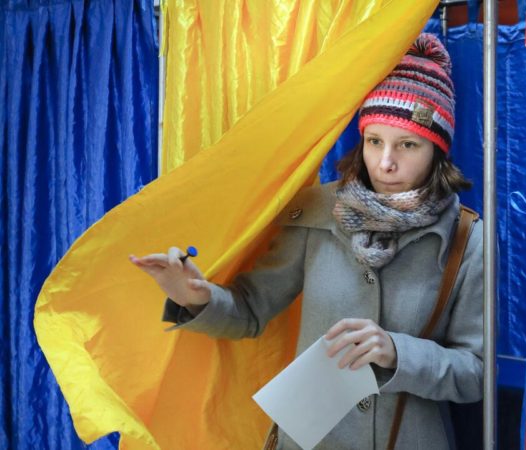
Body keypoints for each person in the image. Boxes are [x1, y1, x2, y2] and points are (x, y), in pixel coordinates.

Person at [130, 33, 483, 450]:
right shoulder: (316, 212)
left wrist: (397, 352)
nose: (386, 162)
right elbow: (249, 311)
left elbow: (475, 373)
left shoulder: (465, 236)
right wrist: (196, 297)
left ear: (437, 149)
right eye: (374, 141)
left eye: (407, 145)